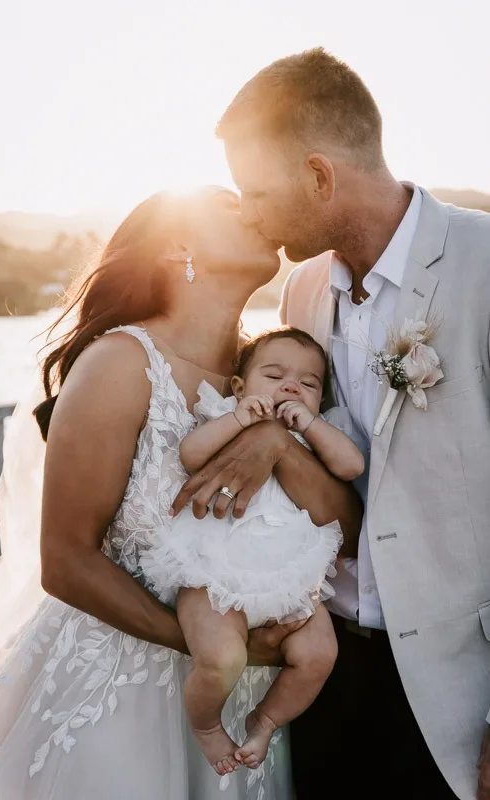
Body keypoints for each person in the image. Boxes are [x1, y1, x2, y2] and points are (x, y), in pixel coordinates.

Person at [0, 186, 361, 800]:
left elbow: (347, 531)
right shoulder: (120, 362)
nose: (257, 212)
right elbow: (65, 561)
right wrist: (218, 649)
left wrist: (277, 445)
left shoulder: (272, 369)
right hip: (124, 687)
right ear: (178, 247)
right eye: (231, 209)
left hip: (242, 704)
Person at [172, 48, 490, 800]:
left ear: (318, 177)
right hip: (323, 668)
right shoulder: (304, 291)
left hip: (457, 686)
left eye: (255, 191)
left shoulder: (483, 264)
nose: (245, 211)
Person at [141, 327, 364, 775]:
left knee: (320, 655)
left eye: (309, 382)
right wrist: (240, 420)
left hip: (291, 578)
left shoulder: (316, 433)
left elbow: (352, 466)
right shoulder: (226, 413)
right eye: (275, 375)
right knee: (222, 659)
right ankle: (206, 726)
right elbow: (190, 453)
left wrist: (311, 425)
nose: (290, 387)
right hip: (216, 572)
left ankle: (264, 721)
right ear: (241, 387)